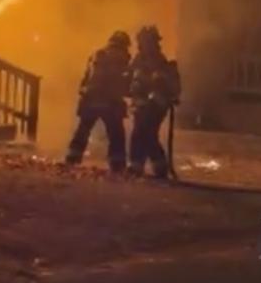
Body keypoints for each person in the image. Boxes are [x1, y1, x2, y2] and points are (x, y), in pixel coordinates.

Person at [65, 31, 131, 172]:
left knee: (83, 130)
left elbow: (86, 77)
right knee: (116, 134)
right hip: (110, 102)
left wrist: (83, 91)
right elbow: (122, 82)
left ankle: (72, 158)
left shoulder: (97, 54)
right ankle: (117, 164)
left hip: (90, 99)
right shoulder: (121, 57)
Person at [129, 25, 181, 178]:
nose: (141, 45)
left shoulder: (160, 61)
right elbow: (131, 79)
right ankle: (145, 166)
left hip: (156, 105)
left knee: (145, 133)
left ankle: (149, 166)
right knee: (143, 134)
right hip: (141, 105)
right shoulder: (138, 60)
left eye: (144, 42)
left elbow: (163, 84)